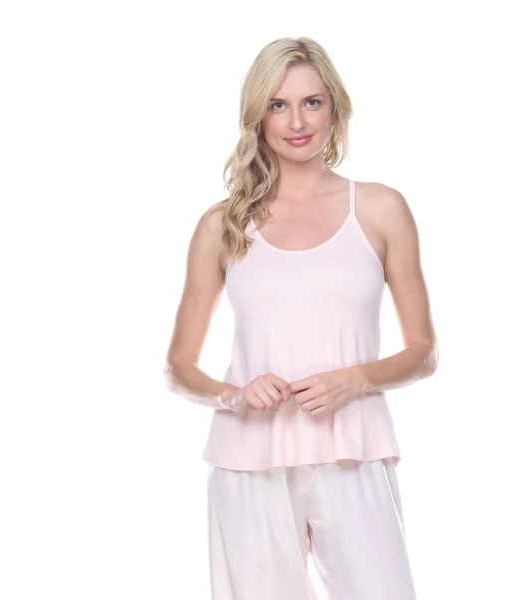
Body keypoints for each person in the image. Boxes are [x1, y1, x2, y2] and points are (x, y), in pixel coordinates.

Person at [164, 36, 439, 600]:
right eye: (278, 104)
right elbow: (178, 365)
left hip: (353, 446)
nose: (297, 121)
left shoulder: (381, 208)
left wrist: (355, 379)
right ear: (258, 115)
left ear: (335, 108)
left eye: (312, 102)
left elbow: (424, 351)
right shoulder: (223, 224)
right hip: (248, 456)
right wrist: (234, 395)